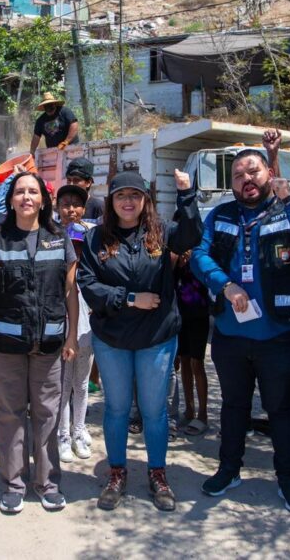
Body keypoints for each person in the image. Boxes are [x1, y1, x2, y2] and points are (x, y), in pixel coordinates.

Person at [190, 129, 290, 513]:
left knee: (280, 410)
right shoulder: (221, 214)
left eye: (253, 171)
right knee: (233, 407)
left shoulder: (288, 210)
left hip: (278, 335)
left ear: (269, 174)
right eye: (238, 175)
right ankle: (229, 469)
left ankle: (287, 478)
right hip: (230, 334)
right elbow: (200, 257)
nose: (246, 179)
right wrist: (225, 284)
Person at [77, 168, 202, 512]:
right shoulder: (96, 238)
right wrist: (131, 299)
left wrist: (186, 195)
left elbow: (192, 236)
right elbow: (89, 285)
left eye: (135, 195)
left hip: (156, 337)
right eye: (121, 196)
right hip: (112, 339)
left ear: (145, 199)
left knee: (154, 411)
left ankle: (158, 473)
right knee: (117, 409)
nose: (128, 201)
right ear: (111, 202)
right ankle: (117, 473)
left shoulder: (161, 231)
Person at [0, 172, 79, 514]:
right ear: (11, 200)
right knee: (10, 415)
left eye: (33, 191)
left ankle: (47, 483)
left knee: (47, 414)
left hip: (49, 342)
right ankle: (14, 483)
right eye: (20, 192)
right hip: (6, 343)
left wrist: (72, 335)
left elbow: (70, 292)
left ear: (43, 200)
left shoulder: (59, 238)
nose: (26, 197)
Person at [55, 184, 95, 462]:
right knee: (63, 383)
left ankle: (79, 430)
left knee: (81, 383)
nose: (71, 209)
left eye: (76, 204)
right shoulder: (50, 235)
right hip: (60, 314)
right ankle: (63, 436)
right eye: (65, 204)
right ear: (57, 208)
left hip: (87, 316)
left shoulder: (91, 235)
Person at [174, 247, 210, 436]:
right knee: (184, 361)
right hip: (181, 315)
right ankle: (189, 410)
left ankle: (203, 414)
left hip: (199, 314)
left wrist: (192, 260)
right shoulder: (175, 253)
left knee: (197, 363)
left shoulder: (200, 253)